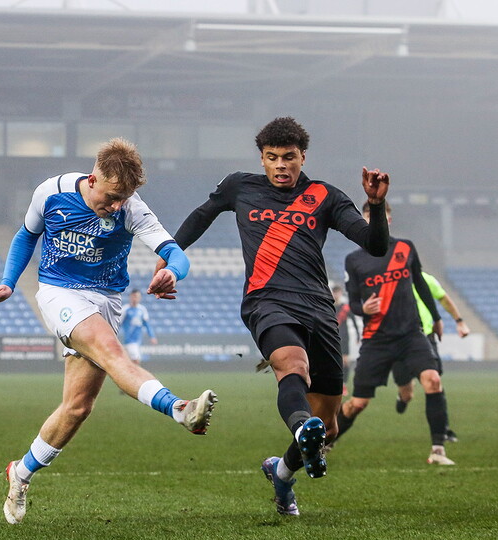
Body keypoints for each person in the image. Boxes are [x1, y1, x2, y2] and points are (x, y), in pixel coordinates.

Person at [0, 138, 218, 525]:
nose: (117, 205)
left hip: (107, 299)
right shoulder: (51, 192)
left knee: (77, 408)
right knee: (112, 351)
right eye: (110, 196)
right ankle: (179, 408)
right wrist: (9, 281)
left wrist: (171, 271)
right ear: (92, 179)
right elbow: (27, 235)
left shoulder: (132, 207)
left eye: (123, 197)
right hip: (60, 293)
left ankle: (19, 473)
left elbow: (176, 253)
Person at [164, 117, 390, 516]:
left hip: (318, 307)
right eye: (272, 158)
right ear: (262, 159)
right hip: (266, 300)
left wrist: (374, 204)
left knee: (330, 425)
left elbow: (373, 245)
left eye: (289, 157)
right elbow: (201, 216)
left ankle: (282, 473)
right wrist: (170, 256)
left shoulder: (325, 196)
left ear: (303, 157)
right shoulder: (240, 185)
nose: (281, 165)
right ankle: (303, 427)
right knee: (293, 367)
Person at [330, 201, 457, 465]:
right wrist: (363, 308)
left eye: (380, 217)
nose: (375, 222)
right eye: (369, 218)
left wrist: (436, 317)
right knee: (358, 403)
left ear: (389, 219)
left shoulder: (405, 248)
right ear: (363, 223)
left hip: (411, 334)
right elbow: (353, 303)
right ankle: (326, 443)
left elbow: (420, 283)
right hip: (376, 340)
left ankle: (438, 450)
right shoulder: (354, 260)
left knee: (433, 380)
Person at [392, 270, 470, 443]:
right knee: (407, 393)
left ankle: (443, 430)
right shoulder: (389, 278)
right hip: (399, 339)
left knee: (435, 382)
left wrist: (459, 321)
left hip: (425, 337)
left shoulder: (426, 279)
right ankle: (403, 397)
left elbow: (443, 297)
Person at [332, 284, 360, 396]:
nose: (336, 295)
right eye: (334, 293)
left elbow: (353, 320)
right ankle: (334, 384)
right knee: (333, 361)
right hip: (332, 337)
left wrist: (358, 335)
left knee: (345, 362)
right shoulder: (329, 306)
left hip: (344, 337)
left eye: (338, 292)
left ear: (340, 293)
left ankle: (344, 384)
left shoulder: (345, 307)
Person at [121, 288, 158, 364]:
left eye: (137, 297)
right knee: (136, 361)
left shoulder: (142, 309)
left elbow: (147, 324)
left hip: (138, 341)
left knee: (131, 363)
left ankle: (130, 375)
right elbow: (118, 323)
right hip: (129, 341)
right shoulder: (125, 309)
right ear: (130, 297)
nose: (135, 298)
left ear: (140, 298)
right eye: (134, 296)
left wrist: (152, 336)